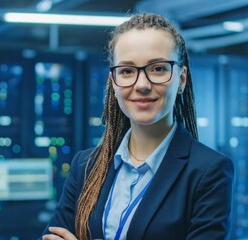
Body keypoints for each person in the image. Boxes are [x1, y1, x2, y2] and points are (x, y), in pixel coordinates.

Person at [41, 13, 234, 240]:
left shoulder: (208, 172)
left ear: (181, 79)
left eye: (158, 69)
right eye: (127, 71)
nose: (142, 84)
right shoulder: (86, 166)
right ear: (113, 82)